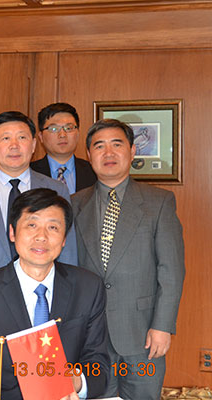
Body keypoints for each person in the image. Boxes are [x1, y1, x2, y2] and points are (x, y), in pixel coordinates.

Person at [72, 119, 185, 400]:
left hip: (142, 333)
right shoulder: (74, 204)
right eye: (99, 146)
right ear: (89, 154)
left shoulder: (159, 202)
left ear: (132, 151)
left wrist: (163, 326)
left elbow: (171, 271)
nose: (108, 153)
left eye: (117, 144)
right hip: (91, 337)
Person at [0, 189, 109, 400]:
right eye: (32, 225)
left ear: (64, 239)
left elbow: (99, 366)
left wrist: (74, 381)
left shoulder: (88, 287)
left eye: (53, 227)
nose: (41, 236)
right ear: (12, 233)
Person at [0, 111, 77, 318]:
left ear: (33, 145)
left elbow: (68, 253)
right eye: (6, 138)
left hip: (42, 299)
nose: (14, 146)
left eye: (22, 137)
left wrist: (68, 310)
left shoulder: (56, 189)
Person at [30, 103, 97, 194]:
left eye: (69, 128)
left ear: (78, 134)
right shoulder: (29, 172)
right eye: (54, 129)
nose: (62, 135)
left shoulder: (95, 171)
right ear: (41, 137)